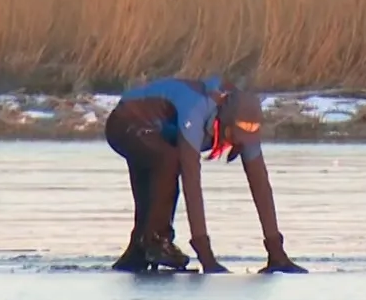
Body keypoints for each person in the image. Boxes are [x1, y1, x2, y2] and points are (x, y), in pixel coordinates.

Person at [102, 74, 307, 274]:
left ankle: (139, 250)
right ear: (225, 122)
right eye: (234, 137)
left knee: (161, 175)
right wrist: (206, 257)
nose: (236, 144)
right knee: (168, 160)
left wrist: (276, 251)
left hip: (160, 133)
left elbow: (260, 182)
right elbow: (191, 181)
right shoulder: (196, 110)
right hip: (126, 122)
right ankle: (156, 241)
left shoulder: (246, 117)